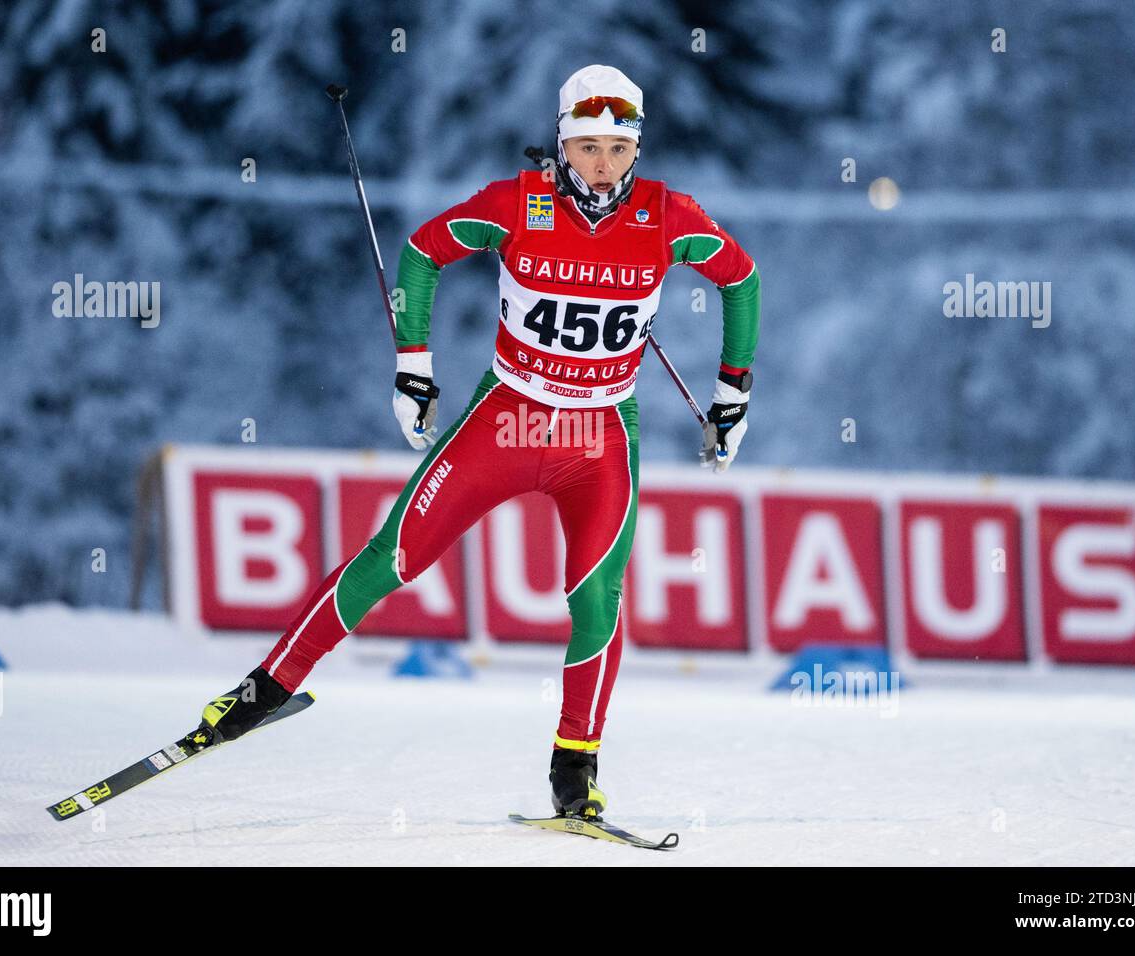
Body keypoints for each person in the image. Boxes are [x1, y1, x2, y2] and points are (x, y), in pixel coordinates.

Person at [194, 64, 761, 820]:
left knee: (597, 601)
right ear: (562, 144)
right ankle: (267, 687)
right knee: (395, 557)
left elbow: (743, 278)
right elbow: (423, 252)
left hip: (598, 435)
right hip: (507, 418)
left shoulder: (669, 215)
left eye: (619, 147)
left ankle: (575, 769)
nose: (603, 164)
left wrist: (734, 393)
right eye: (587, 145)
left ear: (637, 149)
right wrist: (413, 369)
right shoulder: (518, 203)